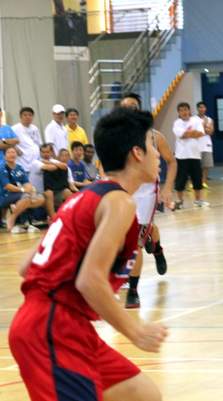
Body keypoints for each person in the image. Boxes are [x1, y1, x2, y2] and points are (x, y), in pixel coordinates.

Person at [8, 108, 167, 401]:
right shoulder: (120, 203)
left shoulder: (86, 196)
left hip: (67, 325)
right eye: (152, 145)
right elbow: (89, 280)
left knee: (142, 394)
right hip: (53, 329)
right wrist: (135, 330)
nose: (158, 155)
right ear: (137, 153)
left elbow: (26, 265)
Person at [120, 93, 177, 309]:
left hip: (147, 193)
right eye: (126, 107)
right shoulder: (116, 136)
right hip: (124, 191)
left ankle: (133, 290)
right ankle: (158, 249)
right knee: (131, 236)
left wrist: (168, 188)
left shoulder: (154, 136)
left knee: (135, 242)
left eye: (134, 106)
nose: (130, 110)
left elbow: (171, 162)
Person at [173, 102, 209, 208]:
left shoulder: (196, 121)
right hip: (181, 156)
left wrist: (189, 134)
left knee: (197, 178)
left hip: (195, 155)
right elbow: (182, 135)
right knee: (181, 180)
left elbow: (201, 133)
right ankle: (180, 201)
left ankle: (198, 201)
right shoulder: (177, 123)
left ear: (189, 110)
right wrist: (192, 133)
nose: (184, 112)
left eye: (185, 109)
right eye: (181, 110)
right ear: (178, 112)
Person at [0, 147, 45, 233]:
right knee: (26, 197)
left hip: (19, 194)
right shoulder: (2, 168)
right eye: (9, 152)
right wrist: (23, 190)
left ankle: (25, 222)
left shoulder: (19, 168)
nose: (12, 154)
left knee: (40, 198)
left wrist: (30, 190)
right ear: (5, 156)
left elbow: (27, 183)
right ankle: (12, 218)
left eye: (13, 152)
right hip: (4, 195)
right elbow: (7, 186)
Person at [13, 107, 42, 173]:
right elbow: (9, 142)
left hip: (35, 161)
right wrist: (16, 149)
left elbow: (39, 143)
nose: (27, 117)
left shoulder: (35, 128)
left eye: (30, 115)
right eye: (25, 115)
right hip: (22, 161)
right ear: (20, 116)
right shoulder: (15, 128)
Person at [196, 101, 214, 188]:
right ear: (197, 108)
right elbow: (196, 132)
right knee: (196, 166)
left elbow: (210, 132)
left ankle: (204, 182)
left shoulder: (209, 119)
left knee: (206, 165)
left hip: (207, 144)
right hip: (196, 145)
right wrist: (204, 127)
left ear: (205, 108)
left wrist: (204, 128)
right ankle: (196, 183)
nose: (202, 109)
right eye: (200, 107)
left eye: (203, 107)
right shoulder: (193, 119)